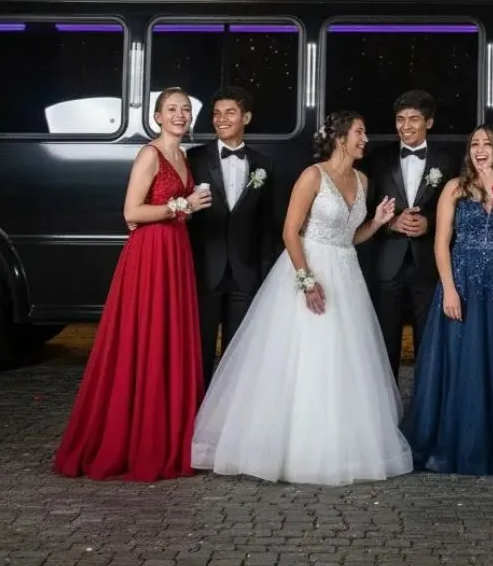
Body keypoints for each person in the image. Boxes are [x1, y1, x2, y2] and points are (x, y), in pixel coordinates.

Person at [191, 111, 413, 485]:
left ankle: (339, 444)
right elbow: (290, 232)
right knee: (302, 356)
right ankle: (286, 446)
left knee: (345, 359)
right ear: (341, 137)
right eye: (359, 133)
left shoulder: (362, 179)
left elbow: (349, 237)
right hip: (308, 270)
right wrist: (306, 280)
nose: (365, 140)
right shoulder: (313, 176)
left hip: (345, 273)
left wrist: (375, 222)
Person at [54, 86, 210, 481]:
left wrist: (183, 211)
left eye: (185, 110)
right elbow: (131, 211)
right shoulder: (149, 154)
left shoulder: (183, 156)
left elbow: (156, 211)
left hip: (175, 250)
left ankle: (168, 436)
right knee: (144, 338)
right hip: (150, 255)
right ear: (157, 116)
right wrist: (181, 206)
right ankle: (134, 439)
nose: (179, 115)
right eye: (171, 109)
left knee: (169, 339)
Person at [402, 124, 493, 476]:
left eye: (488, 144)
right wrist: (449, 289)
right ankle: (453, 442)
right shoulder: (454, 187)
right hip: (462, 279)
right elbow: (441, 243)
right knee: (460, 361)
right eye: (475, 143)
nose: (480, 149)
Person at [187, 85, 277, 387]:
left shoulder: (264, 164)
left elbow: (267, 225)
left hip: (245, 273)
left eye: (229, 113)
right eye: (216, 113)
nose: (221, 119)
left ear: (246, 117)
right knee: (198, 349)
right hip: (204, 272)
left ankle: (227, 418)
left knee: (239, 353)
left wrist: (264, 274)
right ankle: (196, 411)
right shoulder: (193, 159)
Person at [364, 90, 454, 381]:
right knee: (385, 340)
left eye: (414, 119)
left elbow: (458, 212)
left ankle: (425, 411)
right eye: (400, 119)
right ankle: (387, 409)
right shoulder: (377, 160)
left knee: (428, 341)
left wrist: (428, 224)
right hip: (388, 260)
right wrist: (391, 224)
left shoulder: (447, 160)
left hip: (428, 262)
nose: (405, 126)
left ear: (429, 122)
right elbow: (363, 211)